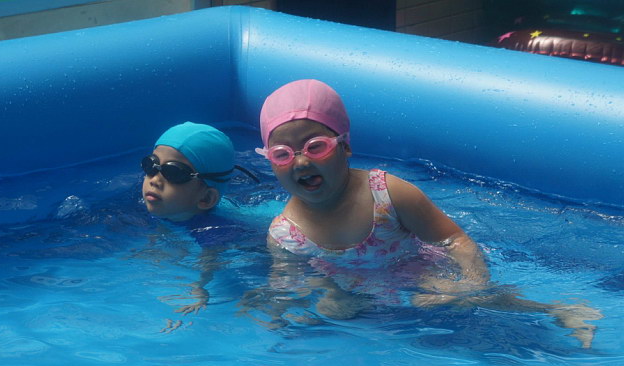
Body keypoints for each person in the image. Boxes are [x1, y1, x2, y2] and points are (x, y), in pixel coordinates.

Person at [250, 78, 601, 347]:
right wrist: (295, 306)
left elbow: (455, 240)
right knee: (329, 312)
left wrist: (471, 281)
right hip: (357, 292)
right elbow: (289, 280)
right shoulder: (284, 234)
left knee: (459, 294)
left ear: (346, 146)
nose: (301, 162)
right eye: (282, 154)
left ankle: (558, 309)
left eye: (316, 147)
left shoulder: (387, 193)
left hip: (418, 271)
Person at [141, 121, 258, 316]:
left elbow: (211, 260)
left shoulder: (212, 229)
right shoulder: (167, 207)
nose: (155, 180)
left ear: (206, 198)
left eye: (173, 173)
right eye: (150, 166)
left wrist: (200, 288)